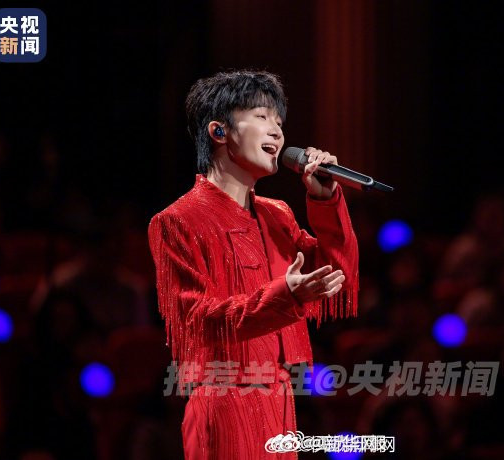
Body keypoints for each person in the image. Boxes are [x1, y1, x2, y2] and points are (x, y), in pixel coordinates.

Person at [147, 70, 359, 459]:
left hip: (281, 399)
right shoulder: (177, 221)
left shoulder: (278, 214)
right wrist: (285, 295)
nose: (277, 131)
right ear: (219, 131)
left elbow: (336, 272)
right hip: (224, 400)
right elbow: (196, 321)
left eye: (279, 122)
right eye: (262, 117)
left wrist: (326, 200)